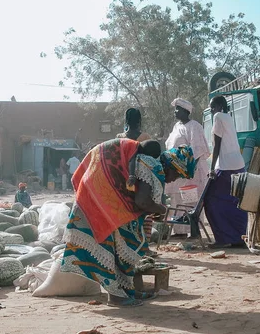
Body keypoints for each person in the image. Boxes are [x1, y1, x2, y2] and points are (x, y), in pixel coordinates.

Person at [61, 138, 196, 307]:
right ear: (172, 166)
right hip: (99, 197)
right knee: (108, 247)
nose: (173, 180)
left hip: (97, 193)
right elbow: (142, 201)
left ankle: (127, 290)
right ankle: (116, 296)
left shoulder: (149, 163)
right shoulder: (153, 167)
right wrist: (162, 209)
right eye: (176, 175)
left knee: (122, 244)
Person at [205, 95, 248, 248]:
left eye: (212, 106)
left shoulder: (217, 117)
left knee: (210, 200)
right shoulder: (228, 117)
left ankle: (223, 238)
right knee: (235, 201)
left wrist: (211, 169)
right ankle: (240, 236)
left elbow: (217, 145)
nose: (211, 110)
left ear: (217, 106)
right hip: (238, 165)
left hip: (225, 166)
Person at [165, 98, 211, 236]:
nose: (175, 111)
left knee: (191, 201)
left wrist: (187, 170)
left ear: (186, 111)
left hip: (191, 172)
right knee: (177, 200)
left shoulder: (194, 126)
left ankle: (193, 231)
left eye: (178, 109)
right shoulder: (176, 127)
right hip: (178, 171)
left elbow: (196, 151)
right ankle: (179, 231)